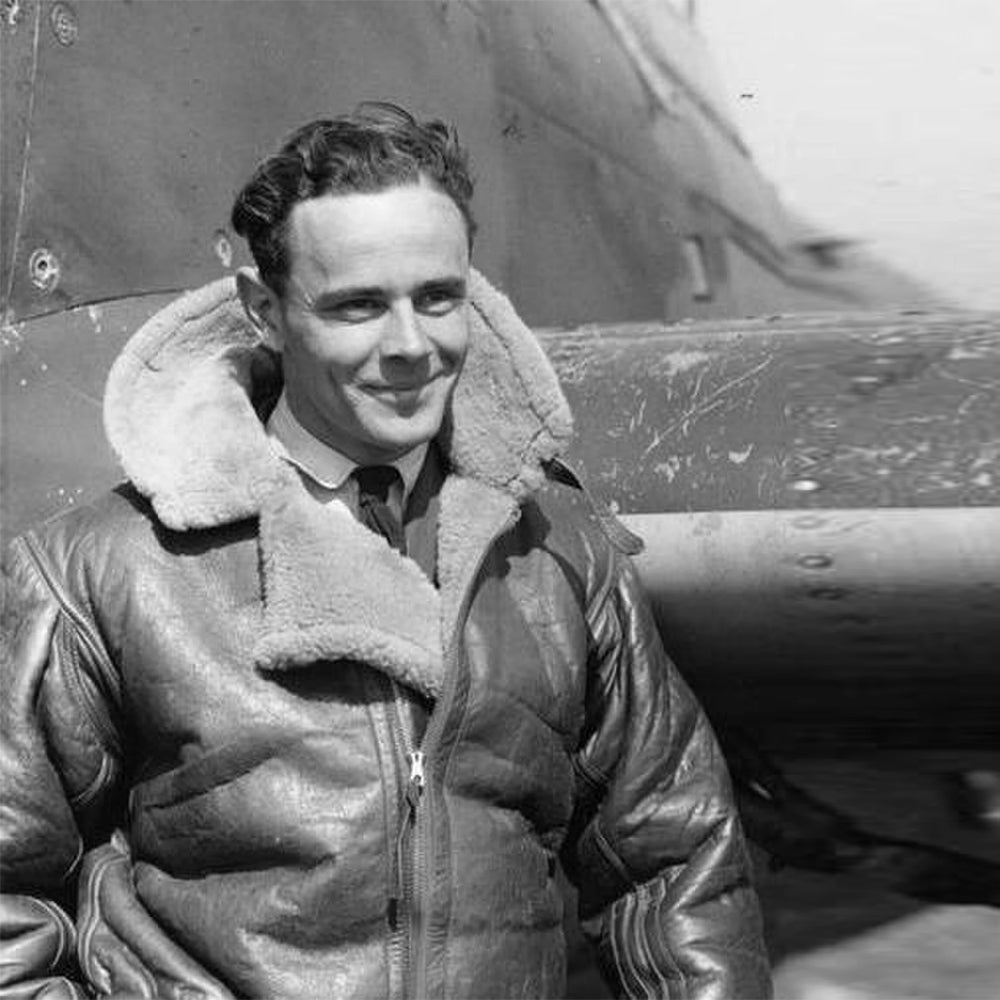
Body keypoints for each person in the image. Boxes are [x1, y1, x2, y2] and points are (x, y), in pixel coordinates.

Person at [0, 103, 771, 999]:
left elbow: (677, 866)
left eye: (439, 297)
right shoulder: (99, 568)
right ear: (265, 311)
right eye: (359, 306)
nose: (411, 347)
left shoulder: (563, 552)